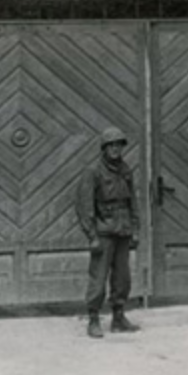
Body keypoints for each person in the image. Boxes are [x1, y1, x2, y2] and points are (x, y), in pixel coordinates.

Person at [76, 127, 141, 338]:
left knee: (123, 277)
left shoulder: (126, 170)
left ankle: (118, 317)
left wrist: (135, 229)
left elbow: (133, 201)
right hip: (103, 232)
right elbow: (84, 205)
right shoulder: (93, 172)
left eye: (119, 145)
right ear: (104, 148)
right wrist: (91, 235)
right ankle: (93, 319)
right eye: (111, 145)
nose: (115, 149)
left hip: (123, 231)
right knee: (98, 277)